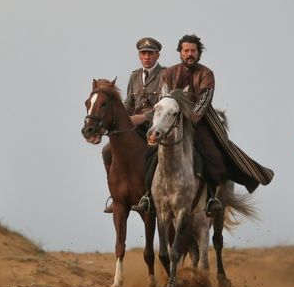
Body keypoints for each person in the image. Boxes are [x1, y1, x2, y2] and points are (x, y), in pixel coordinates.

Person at [139, 34, 274, 215]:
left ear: (198, 53)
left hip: (199, 121)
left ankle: (211, 197)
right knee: (151, 153)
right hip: (171, 121)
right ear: (180, 53)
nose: (189, 54)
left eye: (193, 51)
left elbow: (204, 100)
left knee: (213, 155)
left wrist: (192, 119)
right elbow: (164, 98)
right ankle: (148, 195)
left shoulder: (206, 74)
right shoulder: (169, 73)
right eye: (186, 50)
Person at [101, 37, 166, 213]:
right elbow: (129, 102)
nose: (147, 57)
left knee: (154, 153)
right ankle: (115, 196)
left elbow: (164, 104)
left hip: (155, 125)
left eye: (151, 53)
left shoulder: (165, 75)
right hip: (133, 125)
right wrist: (123, 117)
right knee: (107, 151)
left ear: (157, 55)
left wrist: (143, 117)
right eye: (144, 53)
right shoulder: (134, 75)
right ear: (139, 56)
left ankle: (150, 194)